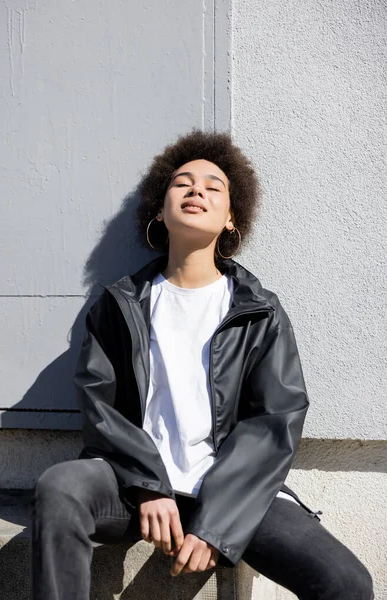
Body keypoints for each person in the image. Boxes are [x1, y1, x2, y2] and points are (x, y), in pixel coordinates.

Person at [31, 129, 374, 599]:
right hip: (132, 485)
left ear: (232, 218)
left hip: (234, 491)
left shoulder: (260, 311)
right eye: (182, 183)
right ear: (159, 209)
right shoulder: (120, 304)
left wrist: (216, 525)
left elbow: (275, 421)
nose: (196, 190)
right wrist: (149, 484)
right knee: (60, 487)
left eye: (214, 187)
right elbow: (100, 406)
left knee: (347, 582)